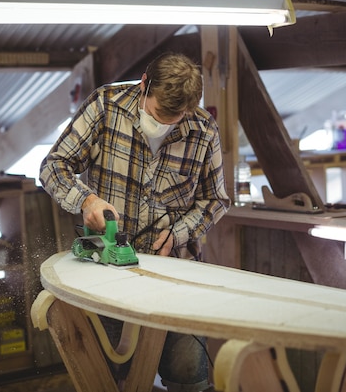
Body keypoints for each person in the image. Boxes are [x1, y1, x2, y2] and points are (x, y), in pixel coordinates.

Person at [40, 52, 230, 391]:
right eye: (159, 114)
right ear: (144, 85)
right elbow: (53, 167)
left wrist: (178, 233)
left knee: (189, 378)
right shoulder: (106, 106)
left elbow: (215, 200)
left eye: (177, 117)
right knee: (115, 377)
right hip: (107, 276)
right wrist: (87, 200)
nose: (167, 123)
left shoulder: (203, 130)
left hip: (176, 272)